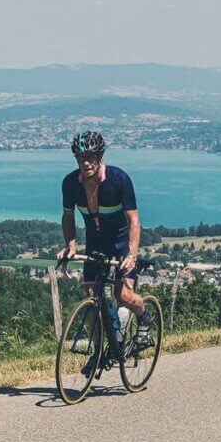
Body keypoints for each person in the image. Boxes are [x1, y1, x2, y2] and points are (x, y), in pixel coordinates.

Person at [56, 130, 153, 347]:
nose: (86, 163)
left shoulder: (119, 180)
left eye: (91, 157)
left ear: (100, 157)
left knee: (124, 295)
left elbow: (134, 221)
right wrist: (70, 245)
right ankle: (100, 351)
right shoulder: (70, 183)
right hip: (96, 243)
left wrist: (131, 254)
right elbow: (68, 216)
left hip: (121, 243)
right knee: (93, 299)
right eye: (81, 158)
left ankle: (145, 318)